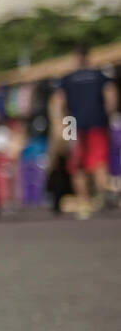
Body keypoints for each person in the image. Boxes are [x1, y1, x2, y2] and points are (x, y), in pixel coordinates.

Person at [51, 45, 119, 219]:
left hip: (72, 124)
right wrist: (107, 115)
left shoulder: (67, 79)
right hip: (97, 121)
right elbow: (111, 96)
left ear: (74, 58)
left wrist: (60, 123)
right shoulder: (100, 76)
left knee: (76, 163)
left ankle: (83, 201)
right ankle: (102, 199)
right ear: (88, 57)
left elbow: (58, 102)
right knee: (99, 162)